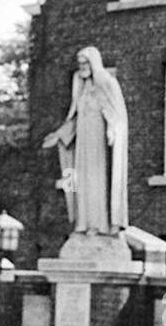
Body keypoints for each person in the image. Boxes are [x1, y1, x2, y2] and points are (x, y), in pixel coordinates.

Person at [41, 46, 128, 235]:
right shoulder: (80, 89)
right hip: (81, 145)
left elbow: (115, 114)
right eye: (79, 64)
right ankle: (83, 223)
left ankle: (100, 224)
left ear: (94, 63)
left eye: (85, 63)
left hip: (99, 144)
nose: (82, 67)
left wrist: (113, 130)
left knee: (97, 181)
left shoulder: (107, 83)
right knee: (78, 181)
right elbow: (73, 119)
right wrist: (58, 136)